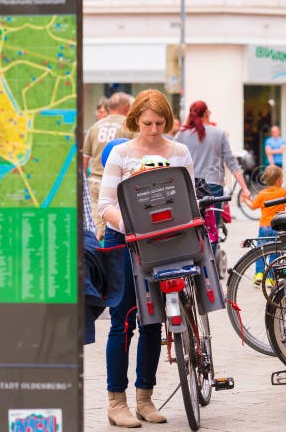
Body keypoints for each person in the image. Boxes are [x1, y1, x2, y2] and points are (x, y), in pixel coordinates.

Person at [97, 89, 193, 427]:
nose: (154, 130)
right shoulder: (121, 153)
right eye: (147, 123)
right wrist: (129, 226)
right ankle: (116, 401)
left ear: (168, 120)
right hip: (124, 241)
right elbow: (105, 204)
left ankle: (145, 398)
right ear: (135, 119)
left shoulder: (179, 151)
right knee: (122, 321)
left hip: (163, 244)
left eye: (160, 122)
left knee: (153, 320)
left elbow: (188, 199)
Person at [174, 100, 251, 254]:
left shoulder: (182, 134)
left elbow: (171, 157)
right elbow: (232, 163)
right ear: (207, 113)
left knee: (190, 229)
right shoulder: (219, 133)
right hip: (213, 187)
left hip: (189, 187)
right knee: (211, 229)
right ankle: (210, 273)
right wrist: (244, 188)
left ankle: (195, 269)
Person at [83, 92, 134, 240]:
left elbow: (85, 159)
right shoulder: (128, 126)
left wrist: (85, 183)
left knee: (96, 229)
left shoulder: (94, 127)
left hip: (95, 183)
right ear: (126, 107)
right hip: (118, 185)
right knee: (118, 229)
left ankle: (97, 260)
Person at [241, 165, 286, 284]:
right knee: (275, 252)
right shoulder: (283, 192)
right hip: (278, 227)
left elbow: (253, 206)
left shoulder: (262, 194)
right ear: (279, 180)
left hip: (264, 227)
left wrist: (245, 199)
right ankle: (271, 278)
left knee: (262, 250)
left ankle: (259, 274)